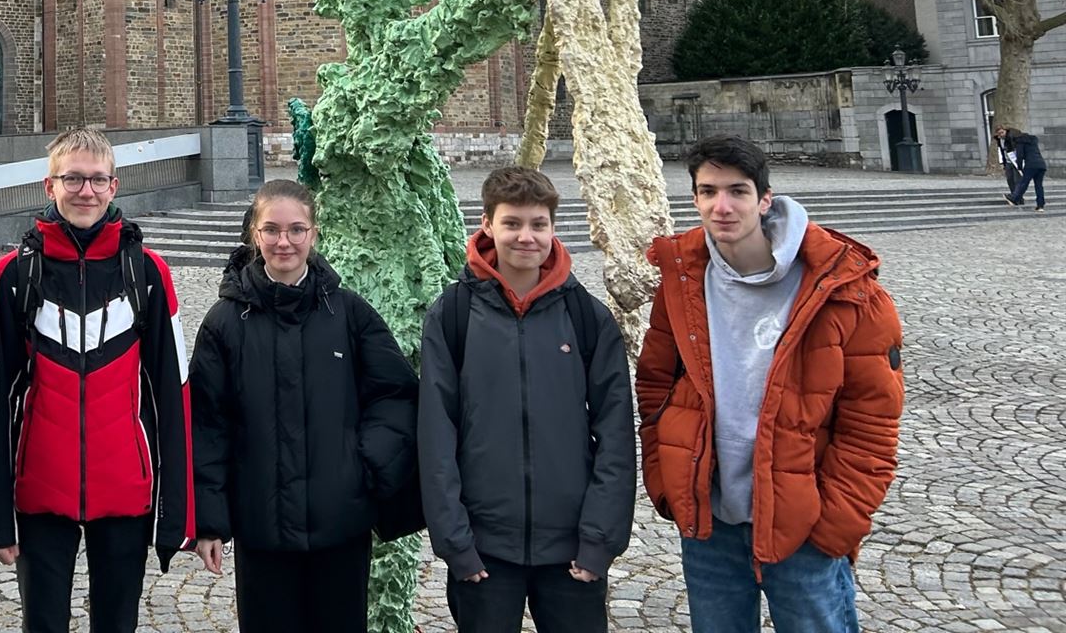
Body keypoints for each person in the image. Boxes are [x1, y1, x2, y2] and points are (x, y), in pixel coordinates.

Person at [638, 134, 904, 633]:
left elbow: (872, 419)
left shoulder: (844, 287)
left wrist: (835, 523)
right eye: (708, 191)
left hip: (804, 526)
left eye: (737, 191)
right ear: (694, 199)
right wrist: (668, 481)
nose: (722, 206)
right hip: (710, 523)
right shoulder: (680, 280)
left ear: (764, 199)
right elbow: (655, 386)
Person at [0, 129, 194, 633]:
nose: (85, 191)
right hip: (39, 489)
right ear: (49, 185)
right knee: (43, 624)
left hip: (125, 490)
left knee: (117, 624)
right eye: (72, 178)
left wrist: (177, 514)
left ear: (114, 186)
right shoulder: (11, 275)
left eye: (97, 180)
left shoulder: (148, 272)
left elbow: (173, 392)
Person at [188, 179, 418, 633]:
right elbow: (206, 423)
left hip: (340, 523)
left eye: (296, 230)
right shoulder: (225, 323)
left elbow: (395, 395)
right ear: (255, 234)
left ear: (313, 234)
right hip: (261, 526)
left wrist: (361, 463)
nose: (284, 242)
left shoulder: (349, 313)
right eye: (272, 230)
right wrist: (209, 522)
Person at [417, 166, 634, 633]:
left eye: (538, 224)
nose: (526, 236)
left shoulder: (586, 316)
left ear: (553, 227)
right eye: (512, 223)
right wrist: (455, 542)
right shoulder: (453, 314)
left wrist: (599, 540)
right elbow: (435, 434)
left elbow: (616, 435)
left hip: (571, 547)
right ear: (487, 224)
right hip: (485, 549)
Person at [1002, 126, 1046, 210]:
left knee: (1024, 182)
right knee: (1039, 185)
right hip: (1041, 164)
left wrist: (1019, 167)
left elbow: (1020, 155)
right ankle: (1040, 205)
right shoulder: (1032, 140)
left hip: (1030, 164)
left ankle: (1014, 198)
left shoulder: (1019, 142)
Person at [994, 124, 1022, 198]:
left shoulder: (1012, 137)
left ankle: (1017, 196)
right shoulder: (999, 140)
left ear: (1005, 131)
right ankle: (1014, 196)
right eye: (999, 133)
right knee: (1010, 180)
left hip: (1015, 161)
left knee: (1017, 180)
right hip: (1007, 162)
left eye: (1002, 132)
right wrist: (1001, 162)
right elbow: (1000, 150)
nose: (1001, 135)